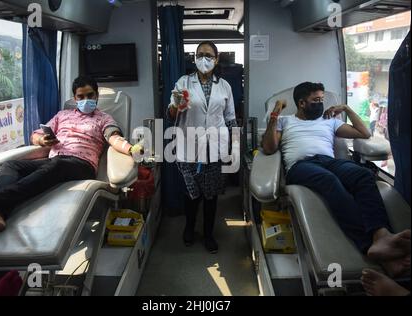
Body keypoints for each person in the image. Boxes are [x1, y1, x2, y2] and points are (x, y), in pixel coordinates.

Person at [262, 82, 411, 278]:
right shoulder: (285, 121)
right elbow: (269, 148)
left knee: (363, 175)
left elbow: (364, 133)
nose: (321, 104)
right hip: (300, 166)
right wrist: (276, 113)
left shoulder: (329, 120)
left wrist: (346, 108)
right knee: (329, 181)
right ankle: (369, 246)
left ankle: (381, 236)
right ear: (301, 103)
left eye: (322, 100)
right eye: (316, 100)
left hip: (329, 161)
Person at [0, 76, 141, 234]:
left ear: (97, 96)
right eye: (81, 96)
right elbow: (35, 135)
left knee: (56, 165)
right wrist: (43, 141)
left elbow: (114, 138)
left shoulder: (104, 118)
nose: (86, 99)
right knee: (12, 165)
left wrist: (131, 149)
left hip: (81, 165)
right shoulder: (62, 115)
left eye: (90, 95)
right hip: (56, 161)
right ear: (74, 98)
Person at [167, 41, 238, 254]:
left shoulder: (225, 86)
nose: (203, 59)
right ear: (194, 58)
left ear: (216, 60)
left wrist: (234, 148)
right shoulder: (184, 82)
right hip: (189, 145)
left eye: (208, 55)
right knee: (192, 193)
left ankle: (208, 234)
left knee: (211, 194)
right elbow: (171, 115)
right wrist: (175, 105)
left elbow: (231, 118)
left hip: (216, 146)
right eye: (199, 55)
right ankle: (189, 228)